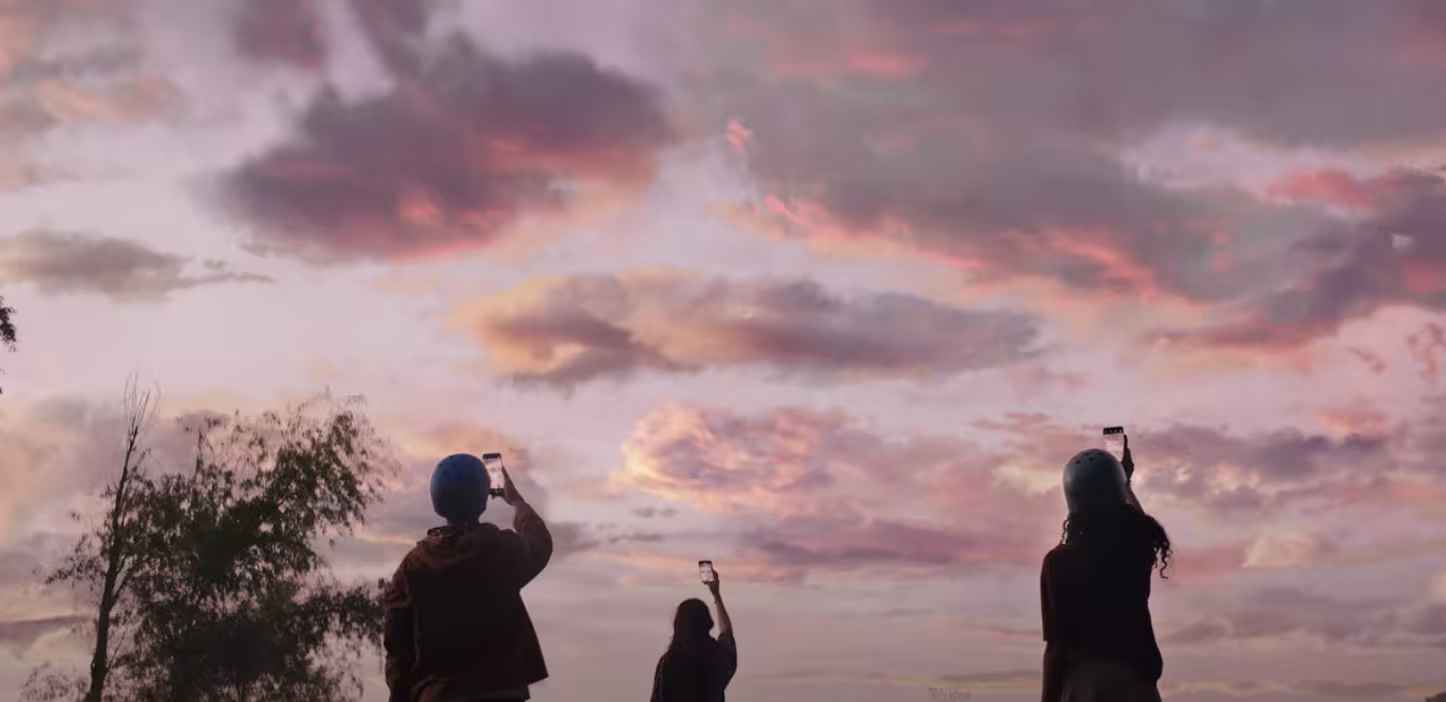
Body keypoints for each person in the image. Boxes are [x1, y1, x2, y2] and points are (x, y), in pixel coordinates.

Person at [384, 454, 554, 702]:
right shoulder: (500, 550)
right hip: (501, 694)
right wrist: (517, 502)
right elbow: (540, 544)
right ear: (482, 497)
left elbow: (397, 650)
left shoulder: (412, 567)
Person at [1040, 436, 1171, 702]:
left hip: (1086, 688)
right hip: (1138, 685)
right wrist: (1126, 484)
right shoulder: (1134, 550)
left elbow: (1056, 648)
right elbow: (1139, 525)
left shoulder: (1059, 562)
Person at [650, 569, 738, 702]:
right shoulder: (716, 659)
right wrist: (716, 595)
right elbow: (727, 634)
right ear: (707, 624)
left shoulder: (667, 663)